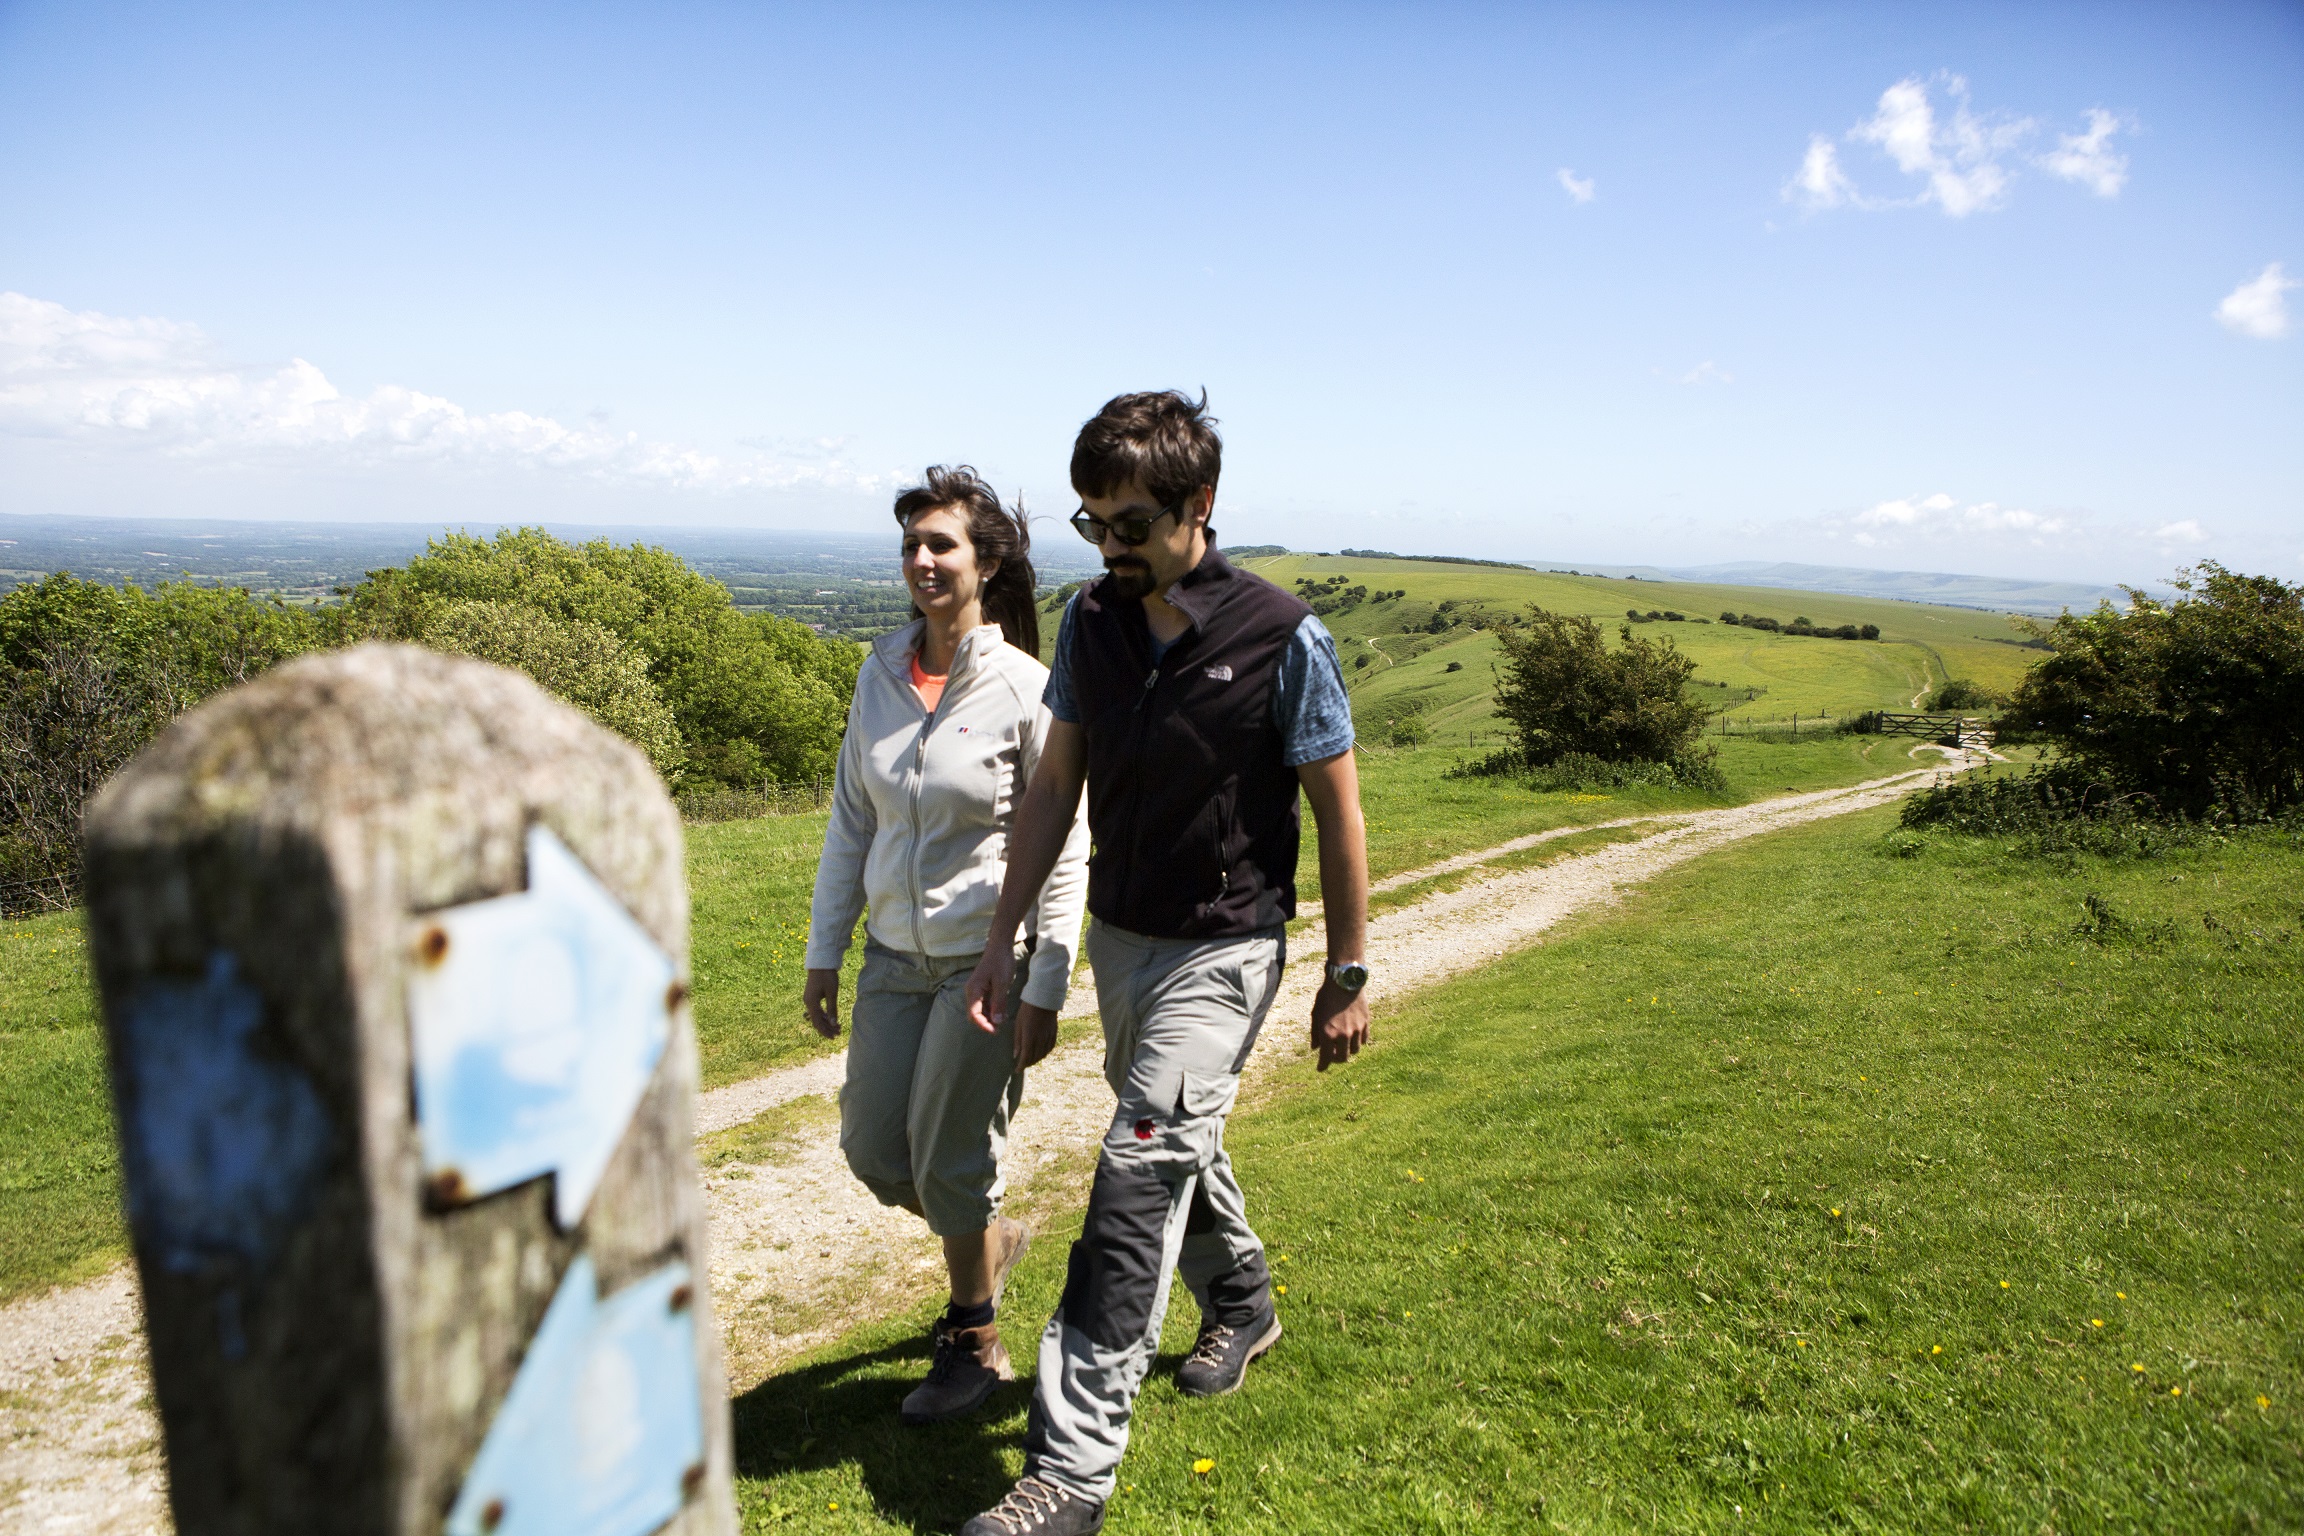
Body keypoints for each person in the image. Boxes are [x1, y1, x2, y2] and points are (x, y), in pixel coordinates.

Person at [955, 393, 1371, 1536]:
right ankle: (1241, 1298)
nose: (1110, 548)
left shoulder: (1285, 637)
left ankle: (1069, 1473)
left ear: (1201, 508)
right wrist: (1008, 938)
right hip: (1123, 945)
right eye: (1092, 526)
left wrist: (1348, 973)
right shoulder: (1093, 623)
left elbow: (1339, 815)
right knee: (1173, 1130)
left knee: (1138, 1169)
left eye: (1130, 524)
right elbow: (1054, 787)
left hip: (1228, 946)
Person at [803, 465, 1090, 1426]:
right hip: (892, 959)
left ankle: (975, 1341)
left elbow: (1064, 840)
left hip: (985, 964)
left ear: (985, 562)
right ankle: (987, 1240)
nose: (922, 561)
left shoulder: (1026, 688)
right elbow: (852, 822)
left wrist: (1045, 974)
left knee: (949, 1159)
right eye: (911, 546)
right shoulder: (878, 675)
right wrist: (823, 951)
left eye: (942, 545)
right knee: (877, 1152)